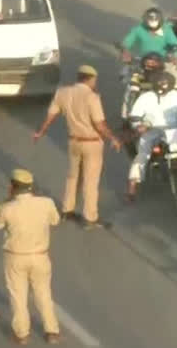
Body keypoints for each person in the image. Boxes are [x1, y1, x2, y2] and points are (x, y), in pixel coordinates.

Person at [33, 65, 121, 228]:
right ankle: (90, 218)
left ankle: (67, 210)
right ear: (91, 79)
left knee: (72, 176)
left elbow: (51, 115)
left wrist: (40, 132)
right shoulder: (92, 97)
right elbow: (99, 124)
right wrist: (113, 138)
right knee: (90, 181)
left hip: (73, 141)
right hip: (91, 142)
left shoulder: (62, 92)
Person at [0, 169, 60, 345]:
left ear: (12, 187)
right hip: (40, 256)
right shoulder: (46, 203)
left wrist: (6, 200)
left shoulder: (7, 208)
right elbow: (55, 221)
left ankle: (22, 334)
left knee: (18, 296)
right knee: (43, 294)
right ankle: (52, 331)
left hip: (16, 257)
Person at [126, 72, 177, 201]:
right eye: (160, 85)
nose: (162, 88)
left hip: (174, 131)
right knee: (142, 156)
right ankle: (132, 188)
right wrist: (138, 126)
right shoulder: (145, 97)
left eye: (165, 85)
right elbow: (135, 116)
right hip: (151, 131)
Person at [121, 7, 177, 92]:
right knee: (131, 82)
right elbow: (126, 43)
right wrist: (125, 52)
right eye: (150, 23)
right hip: (142, 61)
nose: (153, 31)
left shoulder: (166, 29)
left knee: (176, 81)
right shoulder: (138, 29)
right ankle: (129, 102)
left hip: (164, 61)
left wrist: (175, 56)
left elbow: (175, 44)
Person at [120, 51, 165, 121]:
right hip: (141, 92)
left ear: (159, 64)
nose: (149, 65)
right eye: (147, 63)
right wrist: (140, 84)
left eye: (153, 63)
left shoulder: (163, 73)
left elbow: (164, 84)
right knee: (132, 89)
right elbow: (131, 81)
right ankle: (128, 115)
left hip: (156, 96)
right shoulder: (139, 71)